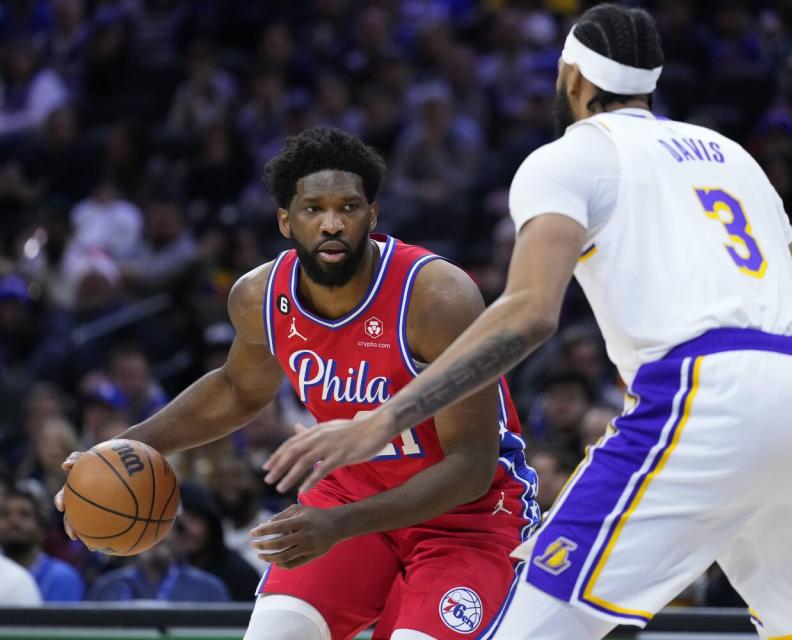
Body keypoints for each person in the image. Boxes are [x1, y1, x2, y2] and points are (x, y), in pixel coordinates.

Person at [263, 5, 792, 639]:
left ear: (571, 75)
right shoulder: (732, 157)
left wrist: (383, 420)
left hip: (700, 392)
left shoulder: (568, 157)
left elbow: (529, 314)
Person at [58, 127, 538, 639]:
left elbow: (470, 466)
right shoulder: (259, 296)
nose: (332, 224)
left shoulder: (438, 297)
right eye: (313, 209)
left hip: (466, 518)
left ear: (371, 216)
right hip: (349, 494)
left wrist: (338, 526)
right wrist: (127, 445)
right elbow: (238, 389)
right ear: (286, 220)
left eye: (348, 208)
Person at [0, 487, 84, 602]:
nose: (14, 521)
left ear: (41, 529)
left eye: (24, 515)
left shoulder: (62, 577)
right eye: (5, 514)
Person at [87, 536, 230, 602]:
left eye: (163, 526)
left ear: (177, 532)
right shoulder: (107, 586)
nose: (155, 536)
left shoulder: (209, 589)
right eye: (146, 527)